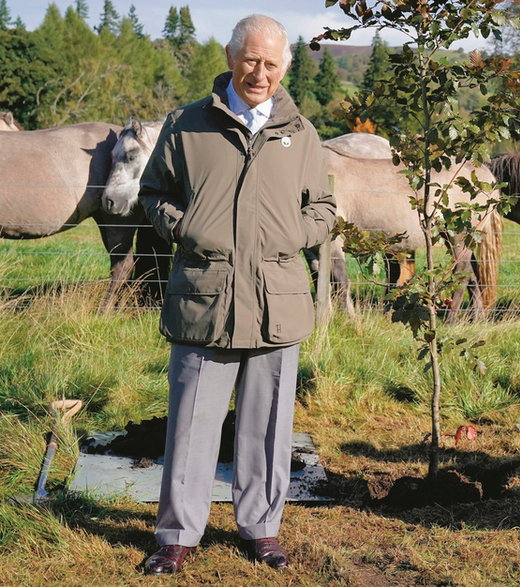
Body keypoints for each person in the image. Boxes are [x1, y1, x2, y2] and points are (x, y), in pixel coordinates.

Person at [138, 14, 336, 575]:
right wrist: (184, 226)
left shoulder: (301, 133)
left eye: (272, 63)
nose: (260, 72)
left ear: (284, 68)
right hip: (206, 296)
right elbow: (153, 194)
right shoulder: (187, 125)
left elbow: (323, 208)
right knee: (192, 421)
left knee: (269, 424)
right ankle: (177, 535)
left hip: (277, 299)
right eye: (251, 59)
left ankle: (262, 529)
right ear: (230, 59)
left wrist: (292, 235)